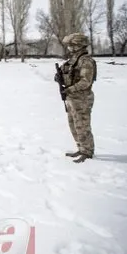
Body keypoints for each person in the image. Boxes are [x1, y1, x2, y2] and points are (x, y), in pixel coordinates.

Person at [55, 32, 97, 163]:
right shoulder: (73, 60)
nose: (69, 48)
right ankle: (81, 148)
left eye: (71, 45)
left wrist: (70, 89)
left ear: (78, 45)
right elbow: (66, 72)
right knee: (73, 124)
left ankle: (87, 151)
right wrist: (59, 77)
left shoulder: (86, 61)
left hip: (82, 99)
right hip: (72, 98)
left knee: (82, 125)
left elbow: (86, 82)